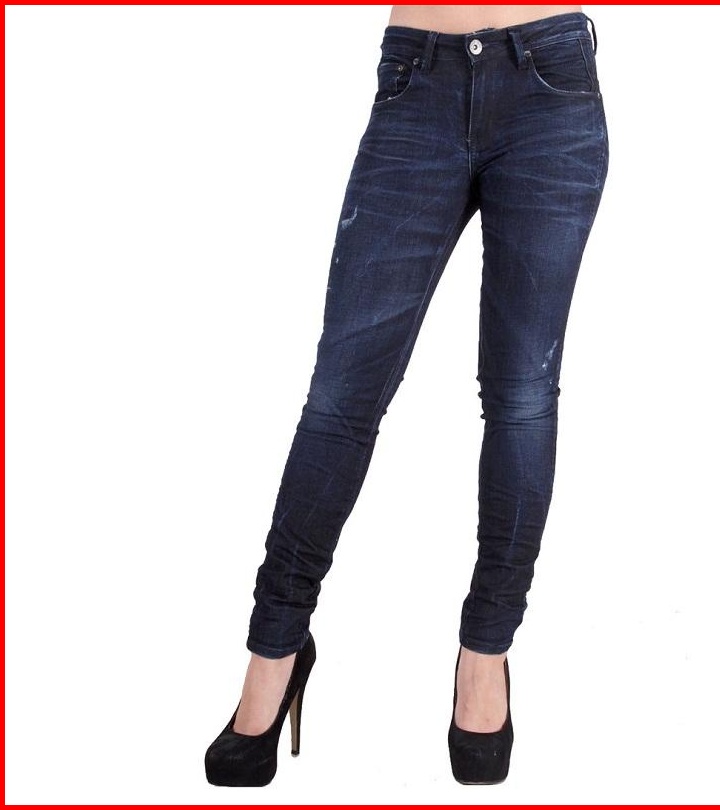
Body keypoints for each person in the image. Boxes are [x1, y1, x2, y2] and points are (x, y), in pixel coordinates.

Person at [205, 3, 608, 787]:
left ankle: (485, 653)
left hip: (551, 86)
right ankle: (275, 651)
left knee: (522, 393)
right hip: (417, 79)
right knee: (341, 395)